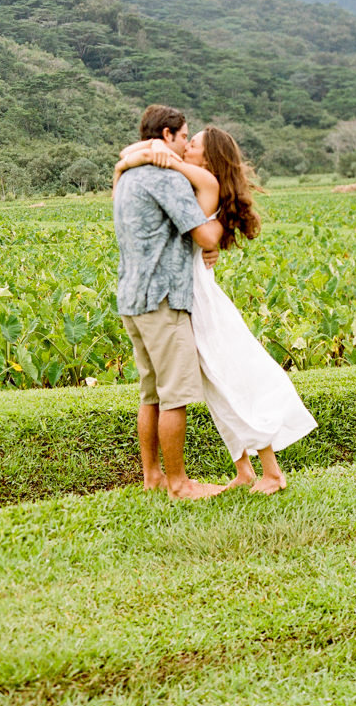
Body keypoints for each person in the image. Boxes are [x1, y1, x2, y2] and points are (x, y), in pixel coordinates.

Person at [114, 125, 317, 494]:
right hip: (189, 295)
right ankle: (245, 470)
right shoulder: (193, 182)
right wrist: (141, 155)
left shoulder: (201, 180)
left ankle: (271, 472)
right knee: (217, 387)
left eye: (191, 144)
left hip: (199, 301)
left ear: (207, 158)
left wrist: (147, 158)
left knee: (233, 381)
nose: (183, 147)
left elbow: (204, 234)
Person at [112, 104, 226, 501]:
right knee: (175, 395)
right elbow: (205, 237)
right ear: (166, 136)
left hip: (131, 297)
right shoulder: (167, 179)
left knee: (151, 394)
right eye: (183, 137)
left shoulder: (126, 176)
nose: (184, 146)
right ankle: (179, 484)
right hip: (162, 299)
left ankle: (153, 476)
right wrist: (220, 229)